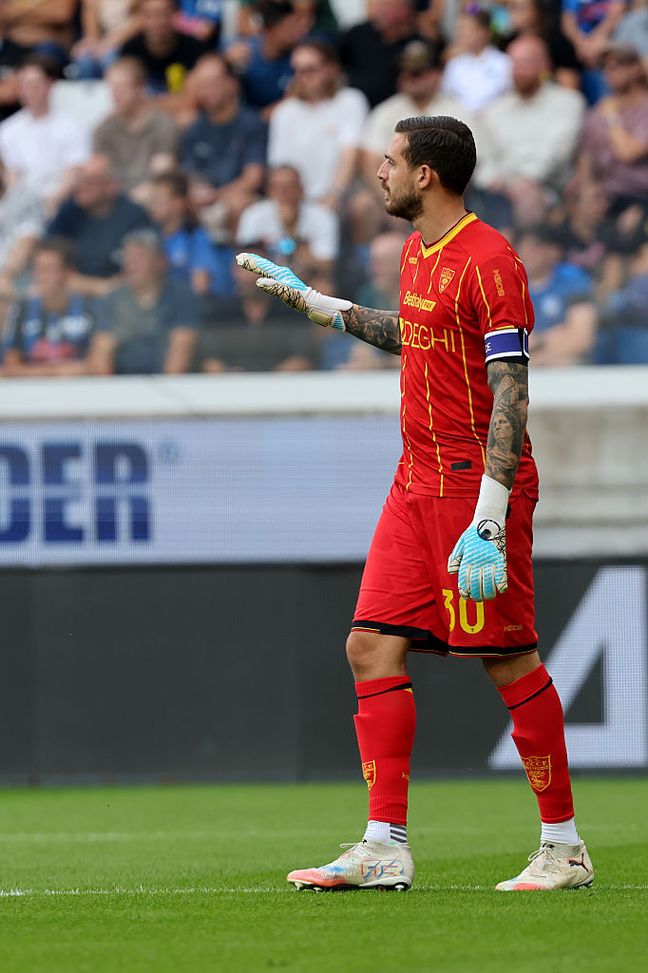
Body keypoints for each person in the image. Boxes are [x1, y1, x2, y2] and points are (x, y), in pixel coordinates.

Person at [236, 114, 593, 892]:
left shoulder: (492, 261)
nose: (380, 172)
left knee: (507, 656)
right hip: (414, 478)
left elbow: (511, 390)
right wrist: (321, 305)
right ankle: (383, 844)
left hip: (474, 484)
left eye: (391, 160)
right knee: (369, 645)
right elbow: (417, 334)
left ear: (425, 174)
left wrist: (490, 513)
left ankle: (564, 846)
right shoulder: (415, 251)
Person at [477, 36, 586, 222]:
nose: (518, 70)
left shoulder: (568, 103)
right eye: (514, 63)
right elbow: (484, 157)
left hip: (551, 191)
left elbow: (554, 158)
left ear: (545, 65)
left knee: (527, 196)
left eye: (525, 63)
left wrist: (518, 183)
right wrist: (498, 181)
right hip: (499, 190)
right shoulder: (495, 109)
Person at [268, 40, 368, 207]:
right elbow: (279, 166)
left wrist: (334, 195)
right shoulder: (284, 112)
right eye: (297, 71)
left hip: (340, 198)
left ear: (331, 69)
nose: (302, 77)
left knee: (363, 205)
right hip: (295, 202)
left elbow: (351, 154)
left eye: (310, 70)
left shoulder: (351, 101)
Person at [88, 228, 199, 374]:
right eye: (127, 257)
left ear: (160, 261)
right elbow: (102, 349)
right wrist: (109, 387)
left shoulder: (182, 296)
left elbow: (182, 346)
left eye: (139, 257)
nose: (131, 264)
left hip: (168, 381)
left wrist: (167, 386)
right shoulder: (113, 299)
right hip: (121, 381)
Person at [181, 53, 266, 242]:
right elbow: (189, 174)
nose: (206, 92)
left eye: (212, 83)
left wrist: (216, 196)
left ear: (232, 84)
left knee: (239, 203)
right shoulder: (194, 129)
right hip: (203, 199)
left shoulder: (251, 123)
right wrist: (196, 193)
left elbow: (253, 178)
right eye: (201, 85)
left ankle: (237, 260)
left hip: (236, 197)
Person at [47, 154, 152, 296]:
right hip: (73, 293)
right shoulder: (69, 212)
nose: (80, 187)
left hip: (121, 294)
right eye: (79, 179)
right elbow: (48, 255)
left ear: (111, 186)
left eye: (89, 181)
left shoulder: (133, 215)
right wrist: (94, 286)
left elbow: (143, 266)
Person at [0, 55, 90, 215]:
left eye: (36, 83)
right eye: (24, 84)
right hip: (23, 205)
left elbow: (74, 173)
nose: (30, 90)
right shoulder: (8, 130)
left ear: (50, 84)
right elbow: (12, 176)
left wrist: (53, 201)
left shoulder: (72, 127)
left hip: (61, 203)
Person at [3, 238, 94, 376]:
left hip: (80, 387)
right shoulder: (21, 309)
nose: (42, 276)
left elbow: (98, 364)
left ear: (68, 272)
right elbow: (9, 367)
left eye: (49, 269)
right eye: (38, 269)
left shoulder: (89, 308)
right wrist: (55, 372)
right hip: (32, 388)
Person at [236, 164, 339, 285]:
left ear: (301, 189)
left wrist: (291, 230)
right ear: (269, 190)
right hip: (266, 278)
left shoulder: (322, 216)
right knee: (247, 276)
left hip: (306, 280)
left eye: (289, 187)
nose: (283, 192)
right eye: (277, 187)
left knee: (323, 287)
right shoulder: (254, 215)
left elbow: (327, 265)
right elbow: (243, 261)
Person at [577, 43, 648, 214]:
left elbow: (628, 153)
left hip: (640, 195)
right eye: (604, 67)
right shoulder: (598, 111)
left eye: (615, 66)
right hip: (605, 194)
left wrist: (612, 117)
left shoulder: (642, 109)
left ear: (635, 68)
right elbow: (586, 157)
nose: (608, 72)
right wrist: (588, 191)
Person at [93, 57, 179, 193]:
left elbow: (163, 173)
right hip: (114, 198)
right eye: (112, 87)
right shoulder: (104, 129)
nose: (116, 94)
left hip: (152, 197)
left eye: (122, 87)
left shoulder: (163, 124)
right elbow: (99, 173)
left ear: (140, 87)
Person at [517, 224, 598, 365]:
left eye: (535, 248)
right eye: (523, 248)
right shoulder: (509, 287)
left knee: (568, 363)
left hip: (566, 365)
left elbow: (582, 339)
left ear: (550, 251)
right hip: (524, 367)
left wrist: (540, 342)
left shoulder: (573, 279)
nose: (528, 254)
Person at [147, 169, 234, 297]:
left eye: (158, 200)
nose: (152, 206)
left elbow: (200, 287)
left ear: (178, 204)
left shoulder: (196, 238)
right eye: (151, 200)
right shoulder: (151, 238)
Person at [225, 0, 311, 112]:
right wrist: (226, 64)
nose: (298, 32)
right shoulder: (241, 53)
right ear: (268, 30)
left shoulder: (303, 55)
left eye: (297, 25)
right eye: (289, 27)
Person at [339, 0, 422, 108]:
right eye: (378, 5)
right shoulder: (358, 33)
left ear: (406, 9)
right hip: (354, 106)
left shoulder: (418, 42)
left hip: (399, 107)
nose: (379, 11)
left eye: (387, 5)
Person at [120, 0, 206, 95]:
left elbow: (196, 95)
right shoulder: (130, 51)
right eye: (151, 15)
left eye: (164, 14)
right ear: (141, 17)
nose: (158, 22)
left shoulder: (195, 49)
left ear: (175, 14)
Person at [441, 6, 512, 113]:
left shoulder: (504, 63)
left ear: (485, 32)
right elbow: (446, 98)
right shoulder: (454, 65)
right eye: (459, 28)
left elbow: (510, 97)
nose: (460, 33)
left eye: (466, 28)